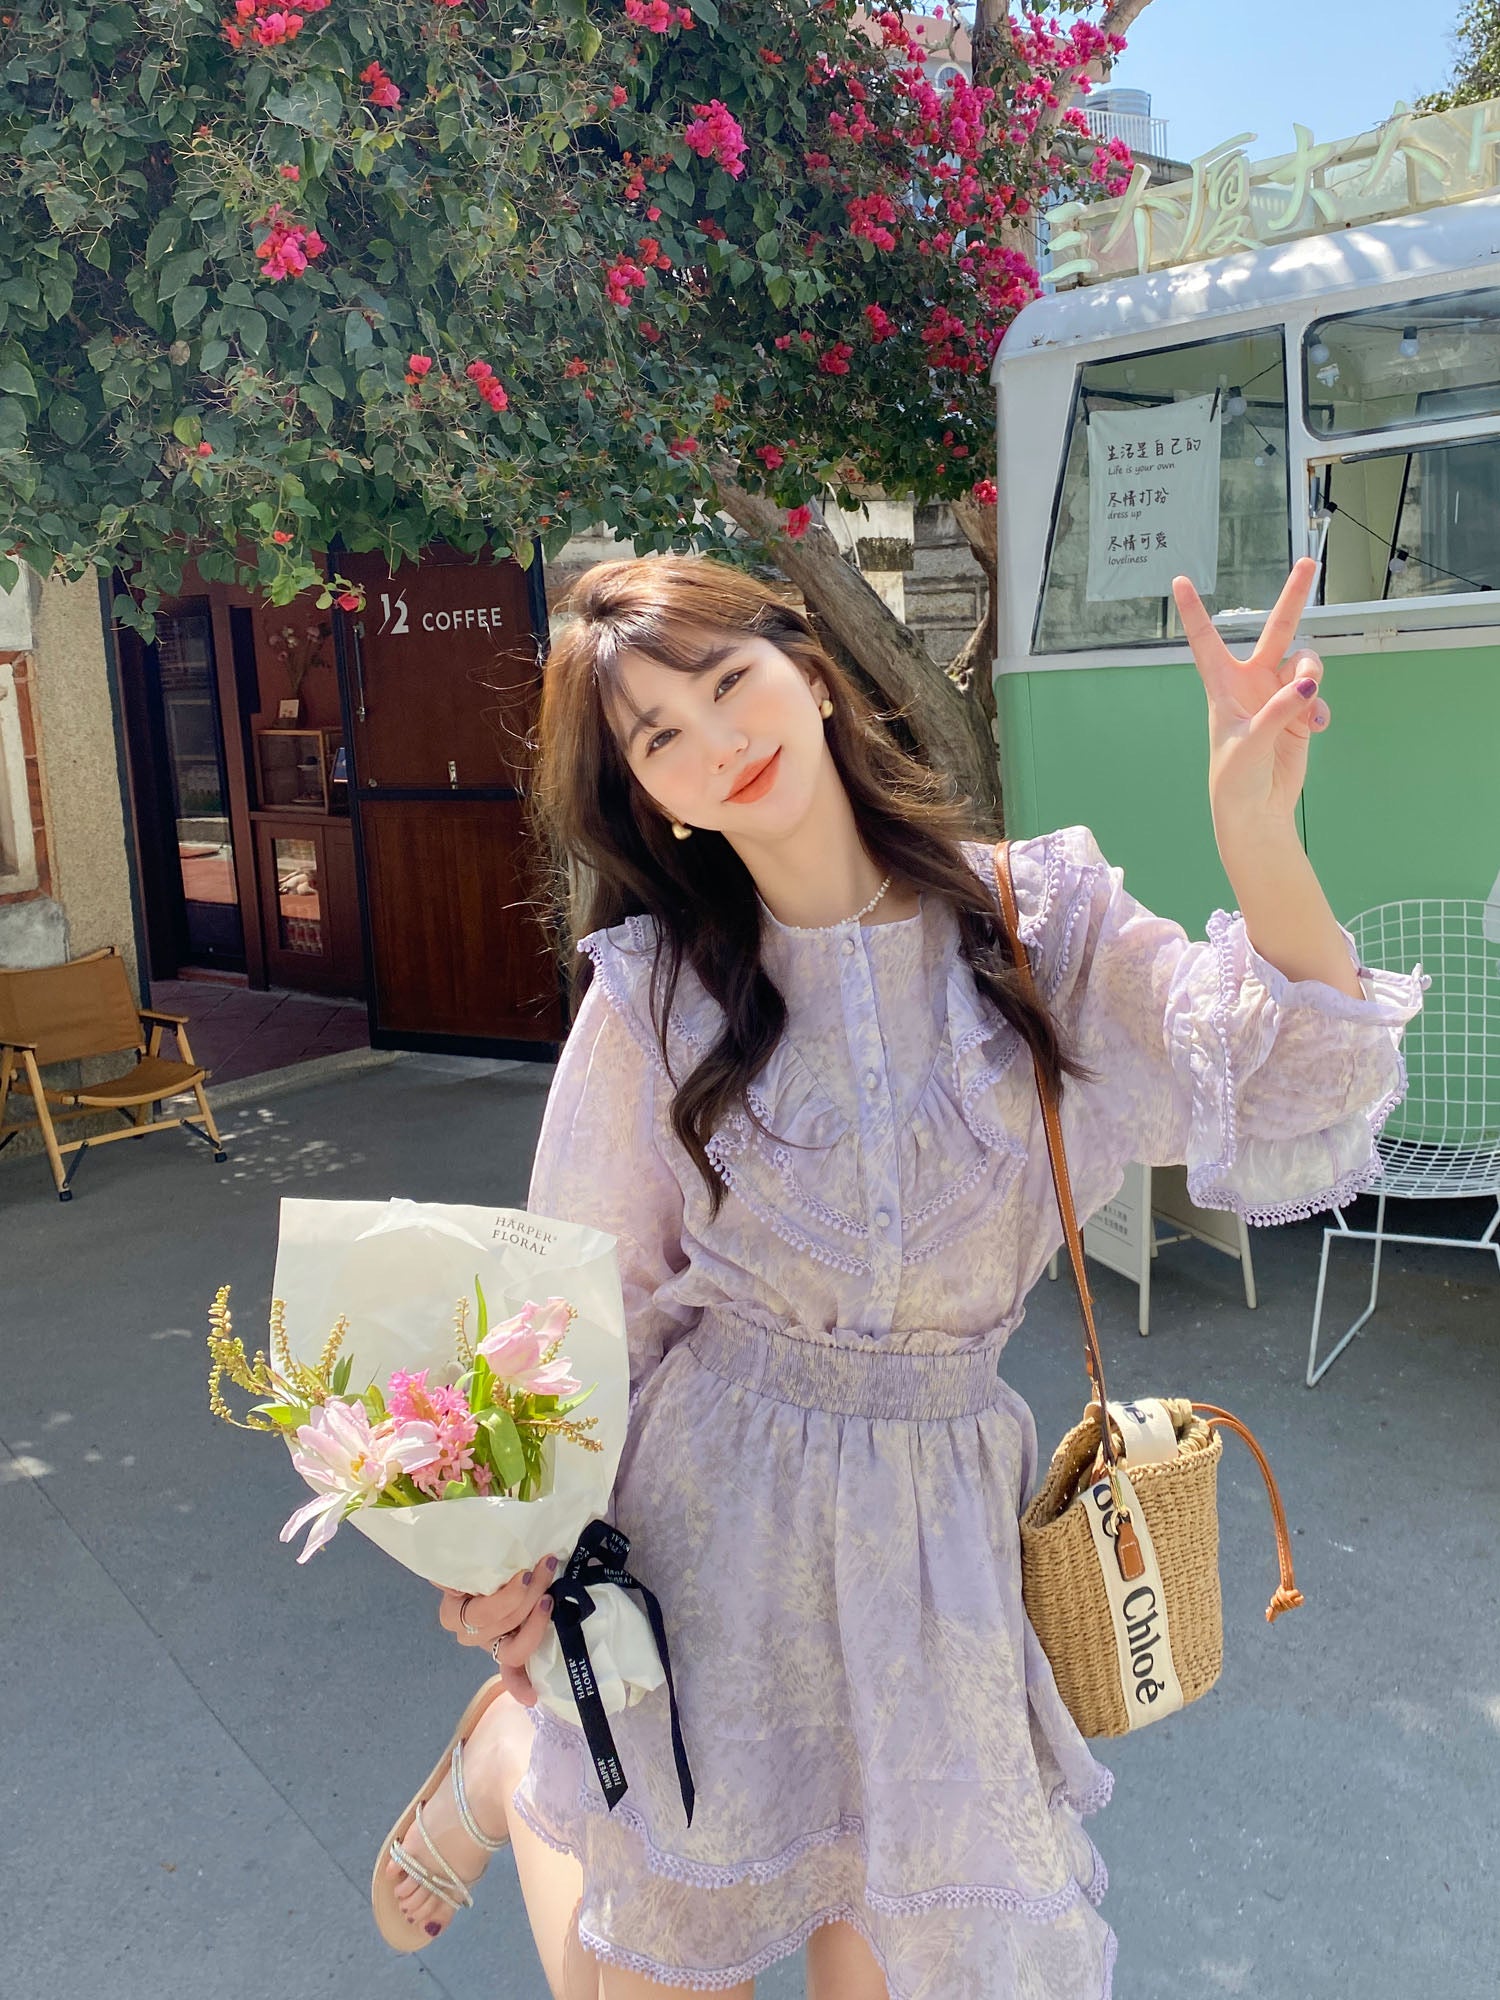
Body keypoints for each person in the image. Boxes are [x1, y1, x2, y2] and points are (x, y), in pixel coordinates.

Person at [379, 552, 1423, 1998]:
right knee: (663, 1968)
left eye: (729, 681)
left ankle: (520, 1758)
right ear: (652, 798)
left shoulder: (1040, 925)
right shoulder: (657, 998)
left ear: (811, 674)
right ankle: (512, 1760)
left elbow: (1299, 1078)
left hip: (936, 1553)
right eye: (660, 736)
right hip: (704, 1537)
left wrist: (1257, 835)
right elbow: (577, 1316)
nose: (716, 740)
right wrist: (514, 1557)